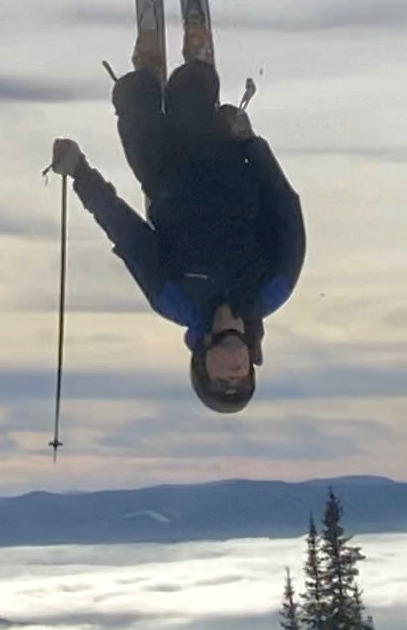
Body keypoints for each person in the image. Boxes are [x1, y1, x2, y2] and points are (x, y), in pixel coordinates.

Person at [48, 55, 304, 411]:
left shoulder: (175, 300)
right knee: (190, 86)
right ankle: (194, 60)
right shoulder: (273, 288)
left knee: (135, 95)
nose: (234, 372)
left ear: (202, 364)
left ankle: (147, 65)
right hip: (221, 155)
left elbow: (130, 236)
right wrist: (249, 142)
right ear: (251, 366)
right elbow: (284, 206)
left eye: (222, 379)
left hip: (163, 173)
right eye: (241, 378)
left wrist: (80, 173)